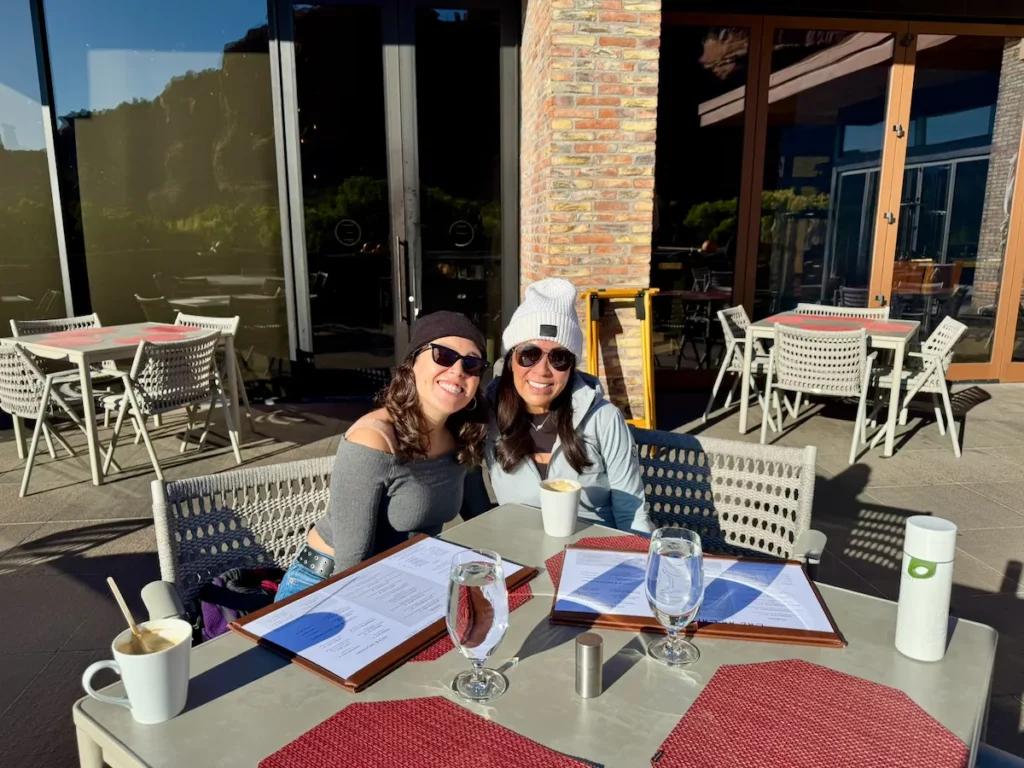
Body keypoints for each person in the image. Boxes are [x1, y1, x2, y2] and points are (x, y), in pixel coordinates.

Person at [275, 311, 492, 602]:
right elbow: (352, 565)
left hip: (400, 580)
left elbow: (482, 517)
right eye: (443, 355)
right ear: (413, 363)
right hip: (324, 586)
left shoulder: (462, 437)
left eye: (472, 363)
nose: (457, 370)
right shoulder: (374, 439)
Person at [482, 278, 651, 534]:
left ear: (571, 367)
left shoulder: (604, 419)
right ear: (510, 360)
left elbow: (632, 513)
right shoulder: (485, 415)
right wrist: (395, 415)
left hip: (591, 556)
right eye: (529, 354)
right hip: (517, 554)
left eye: (559, 358)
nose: (542, 370)